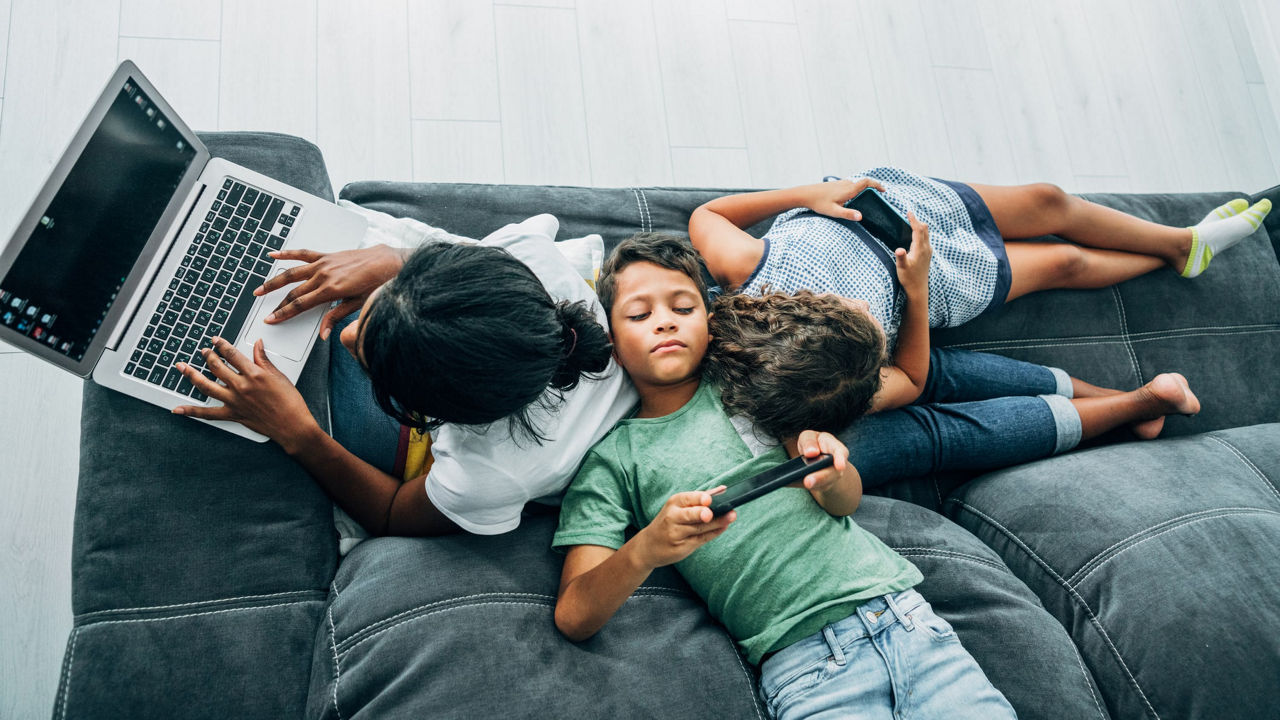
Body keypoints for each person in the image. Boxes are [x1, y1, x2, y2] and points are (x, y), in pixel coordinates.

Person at [552, 233, 1199, 718]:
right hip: (809, 668)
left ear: (708, 318)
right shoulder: (613, 461)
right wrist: (648, 547)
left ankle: (1128, 402)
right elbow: (576, 615)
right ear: (609, 334)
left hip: (906, 619)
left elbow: (845, 502)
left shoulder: (754, 387)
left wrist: (832, 474)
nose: (665, 320)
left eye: (682, 306)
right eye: (639, 314)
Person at [170, 212, 637, 539]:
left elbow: (394, 513)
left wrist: (297, 433)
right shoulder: (527, 255)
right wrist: (393, 259)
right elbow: (455, 261)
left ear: (434, 414)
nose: (347, 335)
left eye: (372, 365)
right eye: (387, 294)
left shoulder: (490, 473)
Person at [689, 170, 1273, 356]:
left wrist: (808, 195)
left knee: (1047, 199)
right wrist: (916, 291)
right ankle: (1183, 250)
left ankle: (1178, 243)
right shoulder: (819, 362)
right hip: (937, 280)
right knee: (1065, 262)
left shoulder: (745, 269)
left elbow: (707, 215)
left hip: (901, 208)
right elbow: (910, 380)